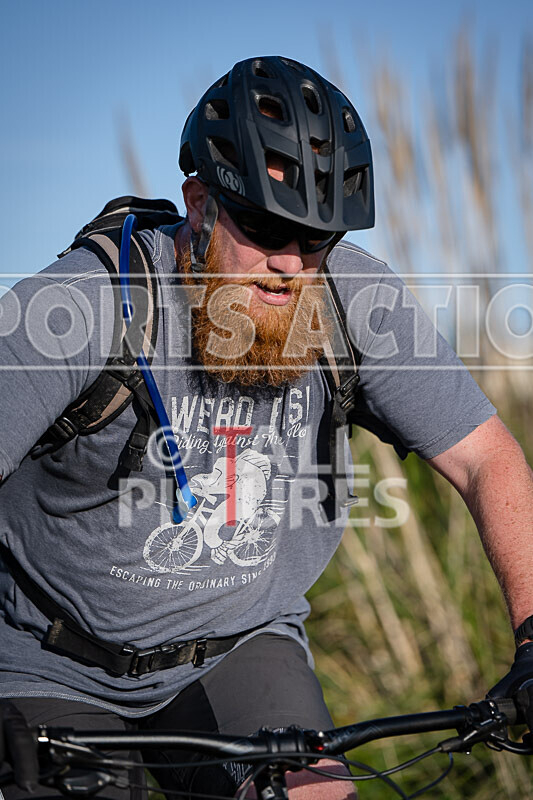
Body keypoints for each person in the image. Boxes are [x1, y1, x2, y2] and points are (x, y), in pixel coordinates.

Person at [0, 55, 532, 800]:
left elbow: (486, 459)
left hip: (238, 647)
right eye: (262, 225)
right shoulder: (85, 303)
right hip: (48, 661)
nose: (287, 263)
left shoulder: (356, 300)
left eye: (313, 239)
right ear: (199, 203)